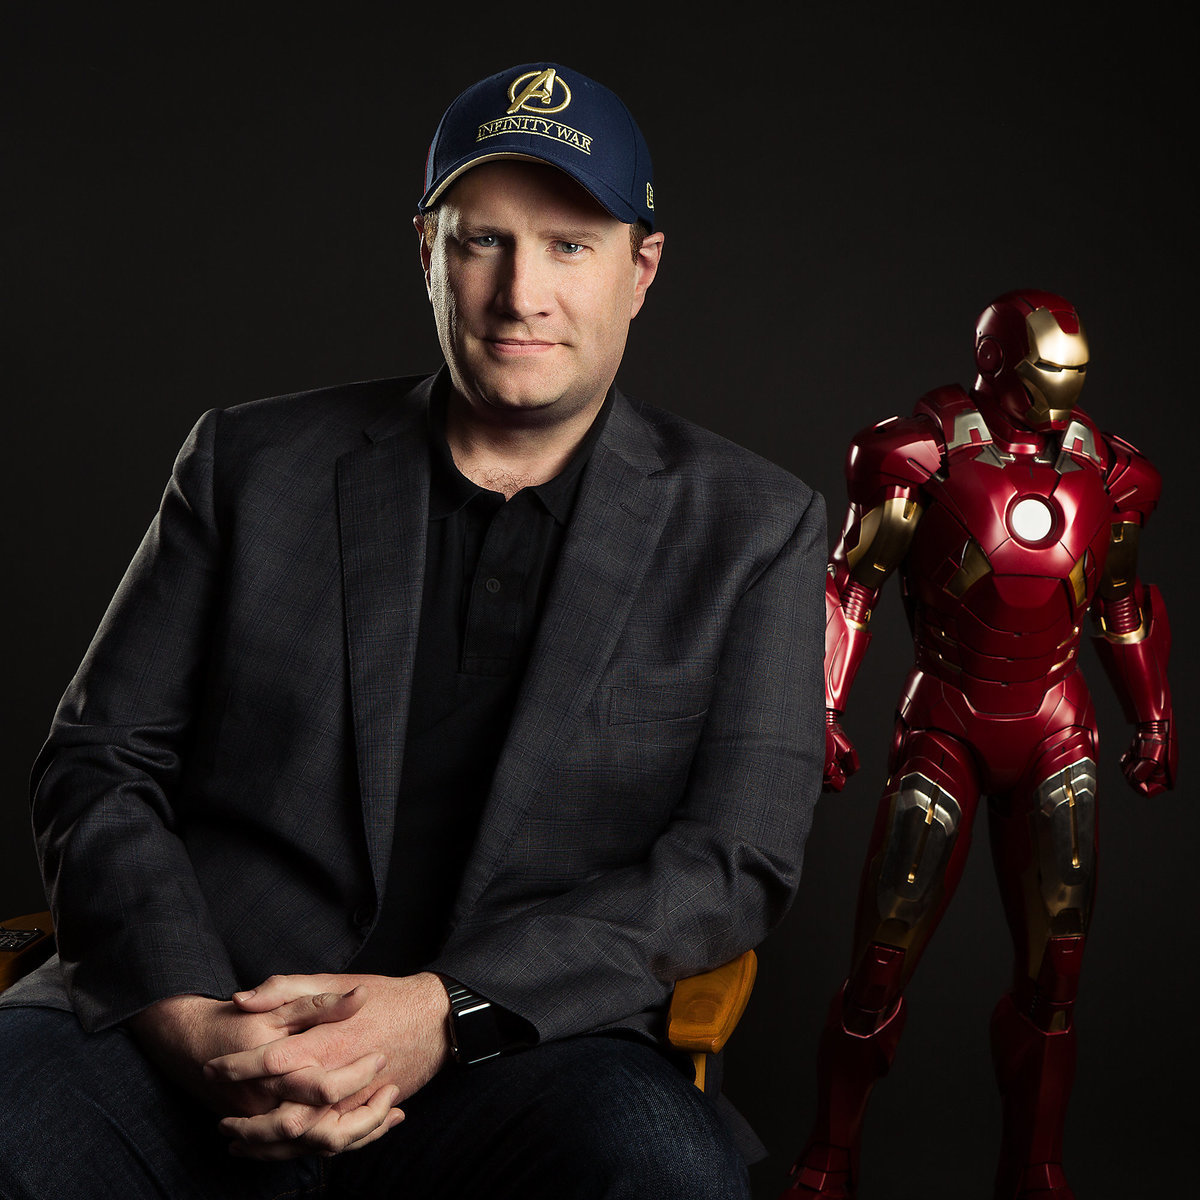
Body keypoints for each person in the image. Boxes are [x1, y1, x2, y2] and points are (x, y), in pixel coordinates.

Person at [0, 63, 826, 1198]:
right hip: (212, 1012)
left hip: (521, 1051)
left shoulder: (755, 527)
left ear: (641, 270)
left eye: (569, 246)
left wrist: (444, 1013)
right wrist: (190, 1022)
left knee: (662, 1172)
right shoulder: (249, 464)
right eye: (484, 241)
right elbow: (100, 762)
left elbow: (733, 860)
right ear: (427, 252)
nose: (522, 295)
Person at [780, 290, 1175, 1200]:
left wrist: (1153, 716)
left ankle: (1035, 1165)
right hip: (949, 717)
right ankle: (831, 1155)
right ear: (997, 363)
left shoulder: (1112, 472)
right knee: (882, 955)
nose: (1062, 392)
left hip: (1054, 722)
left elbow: (1120, 603)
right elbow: (852, 585)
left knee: (1058, 971)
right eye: (1047, 372)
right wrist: (820, 707)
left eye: (1075, 374)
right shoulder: (920, 456)